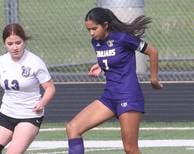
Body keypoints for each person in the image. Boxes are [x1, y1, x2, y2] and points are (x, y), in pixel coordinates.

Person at [66, 7, 163, 154]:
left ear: (105, 25)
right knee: (73, 128)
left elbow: (152, 51)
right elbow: (113, 58)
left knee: (130, 149)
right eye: (89, 30)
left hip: (128, 96)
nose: (91, 33)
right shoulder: (96, 42)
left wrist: (154, 79)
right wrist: (100, 65)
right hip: (109, 97)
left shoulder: (123, 38)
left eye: (94, 28)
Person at [0, 23, 55, 154]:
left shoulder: (34, 62)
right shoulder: (2, 61)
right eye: (10, 44)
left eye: (18, 43)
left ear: (24, 42)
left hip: (29, 116)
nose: (14, 47)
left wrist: (42, 103)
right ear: (4, 44)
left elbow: (50, 88)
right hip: (6, 114)